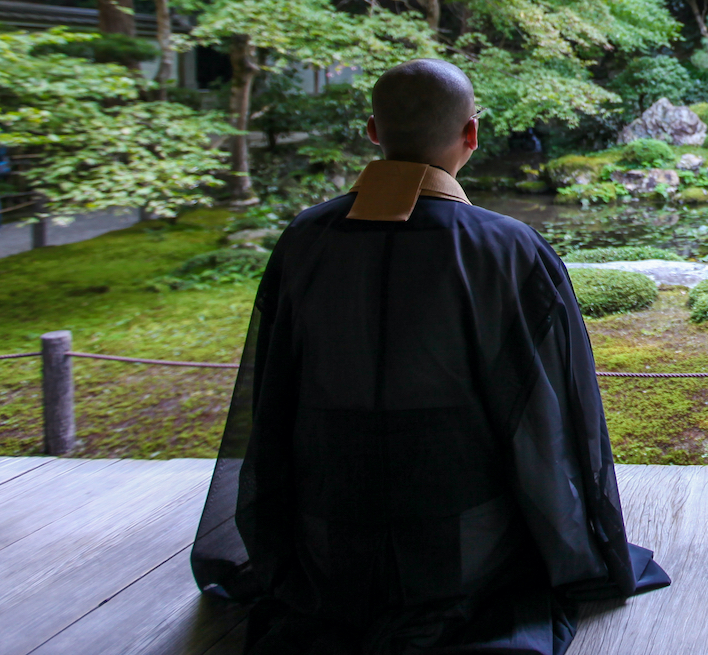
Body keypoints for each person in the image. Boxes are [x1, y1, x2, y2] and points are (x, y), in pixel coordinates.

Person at [190, 59, 667, 655]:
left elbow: (275, 395)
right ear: (472, 134)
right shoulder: (506, 246)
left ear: (372, 130)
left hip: (327, 534)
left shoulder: (306, 238)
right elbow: (552, 407)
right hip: (463, 539)